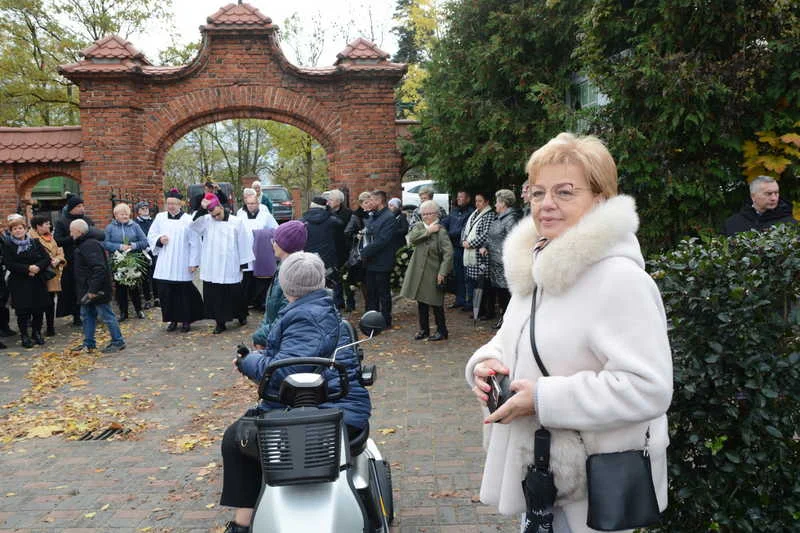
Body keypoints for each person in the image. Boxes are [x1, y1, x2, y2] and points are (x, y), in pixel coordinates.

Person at [466, 132, 672, 532]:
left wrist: (544, 398)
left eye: (564, 192)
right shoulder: (540, 266)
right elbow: (514, 339)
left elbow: (650, 387)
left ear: (599, 199)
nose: (547, 205)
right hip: (543, 477)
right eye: (538, 192)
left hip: (597, 489)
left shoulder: (619, 280)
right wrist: (486, 364)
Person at [221, 252, 372, 533]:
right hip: (339, 407)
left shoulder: (305, 316)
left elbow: (289, 373)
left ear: (286, 285)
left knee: (237, 438)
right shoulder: (322, 309)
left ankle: (243, 522)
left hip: (320, 411)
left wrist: (247, 362)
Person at [191, 193, 254, 334]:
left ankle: (241, 315)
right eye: (212, 215)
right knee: (215, 295)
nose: (215, 217)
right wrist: (202, 209)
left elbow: (243, 242)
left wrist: (244, 263)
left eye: (217, 214)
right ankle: (220, 322)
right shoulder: (207, 220)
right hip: (212, 264)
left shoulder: (236, 222)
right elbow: (193, 226)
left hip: (230, 264)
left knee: (234, 294)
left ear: (221, 207)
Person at [147, 189, 204, 332]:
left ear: (180, 204)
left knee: (183, 294)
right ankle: (172, 319)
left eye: (174, 203)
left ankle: (186, 320)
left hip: (181, 262)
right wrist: (159, 240)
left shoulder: (188, 220)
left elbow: (195, 243)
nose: (171, 206)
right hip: (165, 262)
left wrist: (193, 263)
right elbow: (151, 235)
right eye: (169, 203)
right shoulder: (160, 218)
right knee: (166, 294)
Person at [70, 218, 126, 353]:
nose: (70, 234)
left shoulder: (89, 245)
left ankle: (118, 341)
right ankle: (89, 343)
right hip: (89, 287)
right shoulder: (88, 243)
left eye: (71, 231)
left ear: (78, 231)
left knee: (106, 314)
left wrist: (92, 290)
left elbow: (99, 268)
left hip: (95, 288)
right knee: (87, 315)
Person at [401, 200, 453, 341]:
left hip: (433, 271)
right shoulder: (419, 227)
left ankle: (442, 330)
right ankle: (424, 329)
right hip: (418, 271)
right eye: (423, 214)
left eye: (428, 214)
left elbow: (448, 254)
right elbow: (412, 239)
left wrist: (442, 272)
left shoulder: (441, 231)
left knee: (436, 302)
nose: (425, 216)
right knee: (421, 302)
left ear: (435, 214)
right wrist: (428, 231)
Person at [251, 220, 307, 348]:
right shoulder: (282, 267)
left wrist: (260, 337)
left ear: (284, 245)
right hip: (275, 338)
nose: (272, 244)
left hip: (285, 343)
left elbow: (286, 315)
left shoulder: (294, 273)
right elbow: (272, 309)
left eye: (274, 241)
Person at [1, 217, 51, 348]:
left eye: (20, 228)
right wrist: (27, 268)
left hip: (37, 280)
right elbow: (9, 263)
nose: (18, 231)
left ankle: (36, 332)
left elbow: (46, 258)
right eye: (15, 229)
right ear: (11, 231)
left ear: (25, 229)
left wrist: (37, 267)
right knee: (23, 311)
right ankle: (24, 335)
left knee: (38, 308)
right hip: (19, 282)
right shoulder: (8, 245)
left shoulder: (35, 242)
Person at [480, 189, 521, 329]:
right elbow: (491, 236)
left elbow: (513, 239)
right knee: (500, 292)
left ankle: (508, 320)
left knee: (506, 293)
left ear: (503, 203)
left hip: (504, 263)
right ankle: (504, 318)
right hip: (495, 262)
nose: (495, 204)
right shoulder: (498, 217)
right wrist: (485, 246)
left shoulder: (511, 219)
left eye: (497, 201)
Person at [54, 195, 97, 326]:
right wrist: (72, 238)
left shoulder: (87, 220)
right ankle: (76, 315)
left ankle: (92, 312)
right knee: (74, 289)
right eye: (78, 206)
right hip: (71, 260)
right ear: (72, 208)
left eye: (82, 206)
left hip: (88, 259)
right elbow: (58, 240)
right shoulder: (62, 222)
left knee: (89, 286)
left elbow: (95, 234)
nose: (82, 208)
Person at [104, 203, 149, 321]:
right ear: (116, 215)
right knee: (120, 288)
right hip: (118, 260)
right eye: (122, 214)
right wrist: (119, 246)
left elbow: (144, 241)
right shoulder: (110, 228)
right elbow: (105, 243)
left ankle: (138, 310)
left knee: (134, 286)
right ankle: (123, 312)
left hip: (133, 259)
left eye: (126, 214)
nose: (125, 216)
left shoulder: (135, 226)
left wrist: (133, 246)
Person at [360, 190, 397, 328]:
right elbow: (370, 233)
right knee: (371, 292)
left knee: (383, 292)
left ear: (379, 201)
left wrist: (364, 252)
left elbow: (383, 240)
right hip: (370, 261)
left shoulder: (388, 217)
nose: (369, 203)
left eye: (372, 200)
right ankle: (371, 320)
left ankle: (385, 320)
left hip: (382, 261)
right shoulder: (373, 216)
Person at [237, 188, 278, 310]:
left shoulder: (265, 215)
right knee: (247, 277)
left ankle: (260, 301)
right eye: (248, 203)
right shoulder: (240, 215)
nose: (250, 206)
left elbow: (276, 229)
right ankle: (246, 301)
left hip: (262, 251)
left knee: (261, 279)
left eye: (253, 203)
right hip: (246, 249)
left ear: (258, 203)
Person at [29, 215, 66, 337]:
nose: (49, 226)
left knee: (50, 302)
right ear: (38, 226)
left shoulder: (51, 237)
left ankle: (50, 327)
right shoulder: (32, 238)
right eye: (46, 224)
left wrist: (58, 259)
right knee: (40, 303)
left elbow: (60, 251)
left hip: (52, 274)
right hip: (41, 274)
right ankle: (36, 329)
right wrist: (50, 260)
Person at [723, 175, 797, 236]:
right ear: (753, 196)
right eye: (768, 194)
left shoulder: (791, 224)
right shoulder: (733, 224)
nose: (774, 198)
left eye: (776, 193)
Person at [461, 192, 496, 319]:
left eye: (480, 201)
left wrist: (470, 243)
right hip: (471, 255)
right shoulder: (474, 214)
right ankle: (479, 310)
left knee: (485, 286)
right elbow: (465, 230)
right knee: (476, 285)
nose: (477, 203)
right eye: (476, 201)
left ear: (486, 202)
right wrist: (464, 241)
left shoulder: (489, 215)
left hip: (481, 256)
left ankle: (489, 311)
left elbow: (486, 234)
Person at [443, 190, 475, 310]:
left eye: (462, 197)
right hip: (454, 247)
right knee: (458, 275)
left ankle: (469, 301)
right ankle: (459, 299)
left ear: (468, 199)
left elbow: (463, 229)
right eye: (458, 197)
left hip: (465, 248)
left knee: (468, 275)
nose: (459, 199)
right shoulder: (454, 211)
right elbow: (444, 222)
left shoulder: (471, 213)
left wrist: (448, 234)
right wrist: (442, 229)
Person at [343, 191, 373, 311]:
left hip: (373, 250)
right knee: (360, 279)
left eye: (370, 202)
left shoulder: (374, 213)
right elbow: (347, 232)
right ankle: (361, 305)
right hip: (360, 252)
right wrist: (357, 235)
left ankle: (371, 305)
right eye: (366, 202)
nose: (368, 204)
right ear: (361, 203)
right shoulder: (356, 216)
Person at [324, 188, 352, 309]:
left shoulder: (348, 213)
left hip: (344, 248)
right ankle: (338, 302)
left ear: (338, 201)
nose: (328, 201)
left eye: (331, 199)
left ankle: (350, 302)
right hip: (331, 248)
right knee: (334, 277)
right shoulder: (326, 212)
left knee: (346, 277)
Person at [301, 195, 343, 272]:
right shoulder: (331, 219)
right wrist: (330, 211)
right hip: (327, 257)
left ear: (311, 205)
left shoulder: (302, 221)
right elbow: (340, 223)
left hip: (308, 257)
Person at [134, 201, 158, 309]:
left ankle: (157, 298)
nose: (145, 210)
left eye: (147, 208)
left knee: (156, 275)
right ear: (138, 211)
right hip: (143, 252)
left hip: (154, 251)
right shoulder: (135, 224)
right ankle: (147, 299)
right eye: (143, 209)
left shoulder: (153, 221)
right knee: (144, 277)